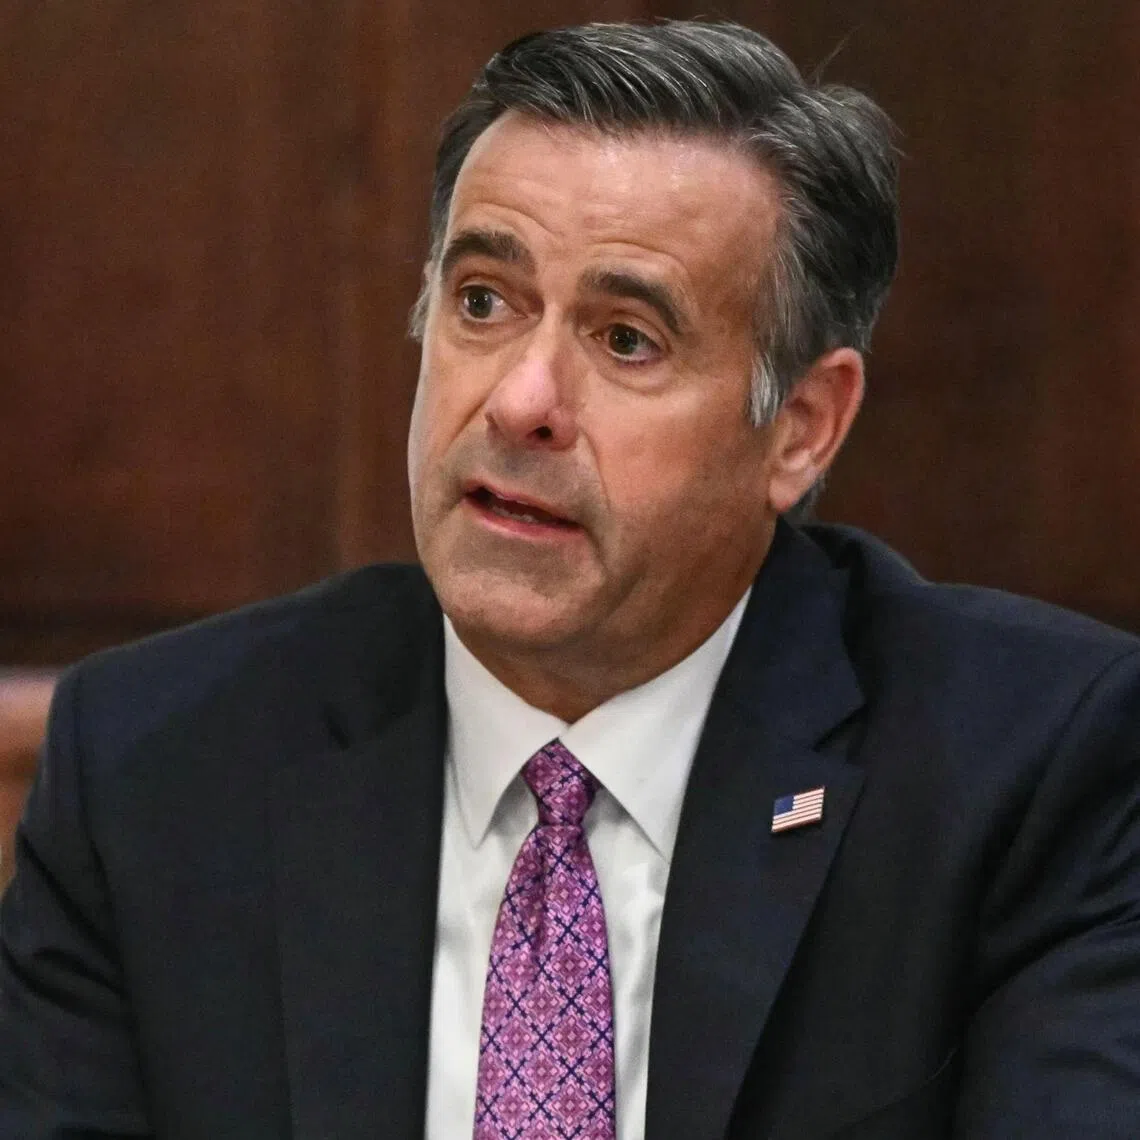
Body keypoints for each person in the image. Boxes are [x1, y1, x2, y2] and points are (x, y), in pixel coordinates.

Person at [2, 18, 1140, 1140]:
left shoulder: (1027, 772)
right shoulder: (157, 767)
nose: (518, 401)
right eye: (484, 304)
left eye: (626, 338)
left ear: (800, 428)